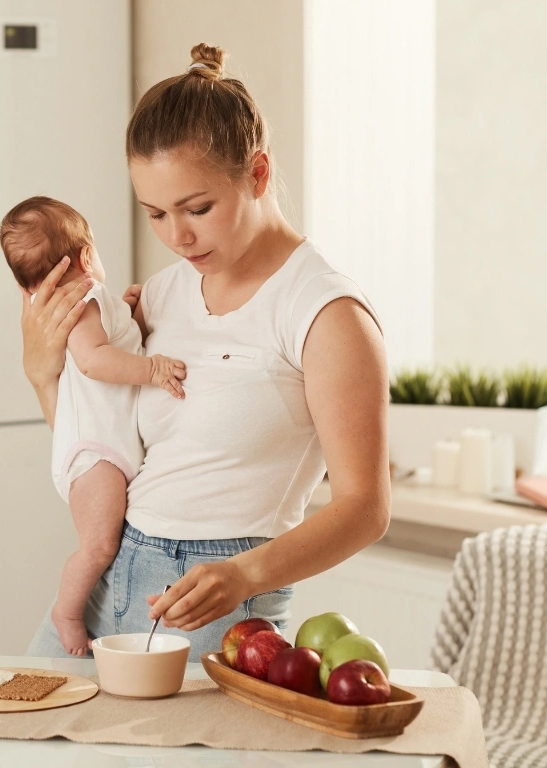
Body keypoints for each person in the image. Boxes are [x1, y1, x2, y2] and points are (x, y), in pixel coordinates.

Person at [21, 44, 390, 659]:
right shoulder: (163, 295)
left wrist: (245, 574)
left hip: (216, 605)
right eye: (156, 214)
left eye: (198, 209)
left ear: (259, 174)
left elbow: (365, 508)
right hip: (109, 579)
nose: (177, 236)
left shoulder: (326, 314)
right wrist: (42, 377)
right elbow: (103, 443)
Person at [0, 195, 187, 656]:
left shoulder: (92, 306)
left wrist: (123, 313)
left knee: (103, 540)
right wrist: (153, 368)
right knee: (100, 546)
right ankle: (66, 610)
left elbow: (105, 340)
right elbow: (92, 360)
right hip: (97, 453)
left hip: (103, 448)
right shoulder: (84, 303)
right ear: (86, 256)